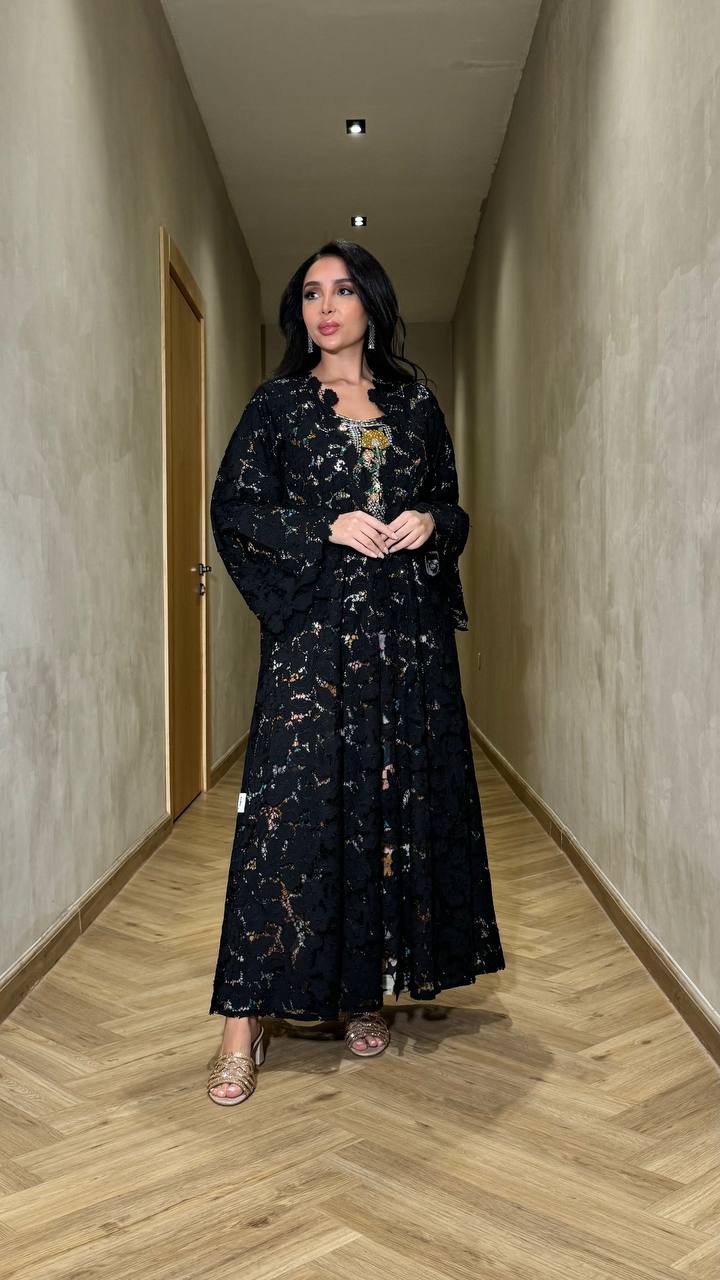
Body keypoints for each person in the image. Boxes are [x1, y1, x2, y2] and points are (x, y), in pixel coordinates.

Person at [206, 239, 505, 1105]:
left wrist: (431, 522)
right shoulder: (277, 407)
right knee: (286, 817)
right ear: (299, 313)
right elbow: (235, 510)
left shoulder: (415, 405)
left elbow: (451, 503)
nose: (326, 307)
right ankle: (241, 1025)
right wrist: (323, 527)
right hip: (314, 641)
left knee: (386, 807)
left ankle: (365, 991)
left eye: (342, 291)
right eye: (311, 294)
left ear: (371, 304)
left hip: (405, 644)